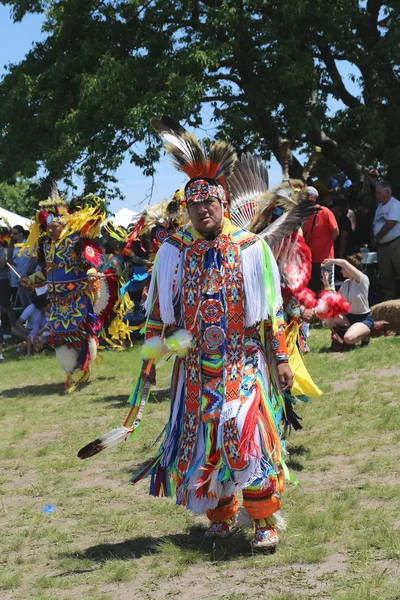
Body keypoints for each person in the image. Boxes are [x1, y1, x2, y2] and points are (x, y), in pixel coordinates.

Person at [126, 117, 293, 550]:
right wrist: (148, 365)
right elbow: (158, 314)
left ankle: (264, 520)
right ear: (187, 209)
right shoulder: (173, 251)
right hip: (196, 369)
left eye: (210, 204)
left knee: (244, 434)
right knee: (202, 440)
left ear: (222, 202)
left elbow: (272, 312)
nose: (203, 211)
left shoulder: (250, 248)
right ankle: (221, 514)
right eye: (195, 206)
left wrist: (280, 359)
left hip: (244, 361)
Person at [322, 254, 373, 346]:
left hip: (363, 319)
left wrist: (332, 261)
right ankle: (343, 335)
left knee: (348, 339)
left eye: (343, 268)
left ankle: (365, 334)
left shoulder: (363, 280)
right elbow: (335, 298)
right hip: (348, 317)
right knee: (328, 315)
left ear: (350, 269)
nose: (341, 271)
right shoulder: (345, 283)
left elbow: (344, 263)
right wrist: (326, 283)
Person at [302, 186, 339, 293]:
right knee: (313, 290)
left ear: (312, 198)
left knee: (327, 290)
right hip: (310, 260)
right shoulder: (304, 215)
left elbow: (336, 232)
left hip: (325, 260)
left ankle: (332, 310)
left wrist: (326, 245)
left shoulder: (325, 212)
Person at [373, 181, 400, 300]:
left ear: (388, 192)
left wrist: (376, 237)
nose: (377, 196)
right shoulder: (379, 206)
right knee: (386, 277)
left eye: (379, 193)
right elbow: (374, 224)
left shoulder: (395, 204)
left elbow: (390, 223)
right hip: (382, 247)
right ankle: (390, 303)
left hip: (395, 244)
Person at [7, 225, 35, 309]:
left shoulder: (29, 245)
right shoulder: (15, 247)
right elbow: (12, 260)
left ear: (21, 234)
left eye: (15, 233)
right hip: (18, 279)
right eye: (12, 233)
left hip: (27, 279)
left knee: (32, 303)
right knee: (24, 304)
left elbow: (34, 260)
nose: (13, 235)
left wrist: (29, 273)